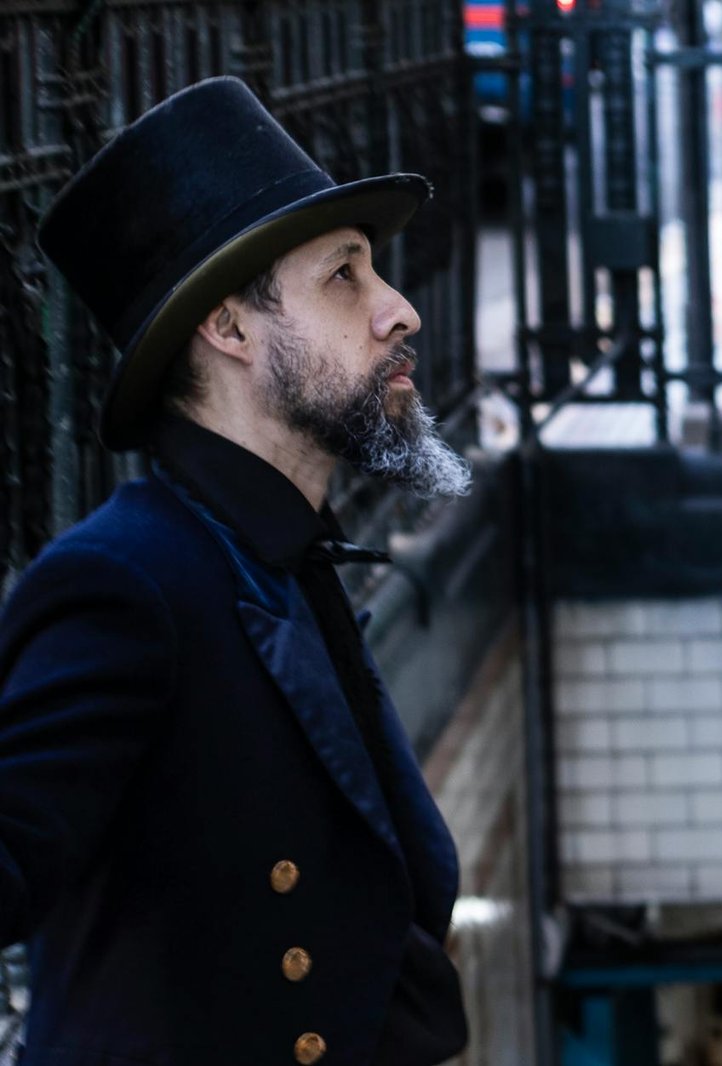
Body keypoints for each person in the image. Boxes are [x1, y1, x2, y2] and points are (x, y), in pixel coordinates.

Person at [0, 76, 474, 1065]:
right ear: (231, 328)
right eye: (345, 275)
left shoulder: (279, 556)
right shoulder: (129, 584)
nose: (399, 312)